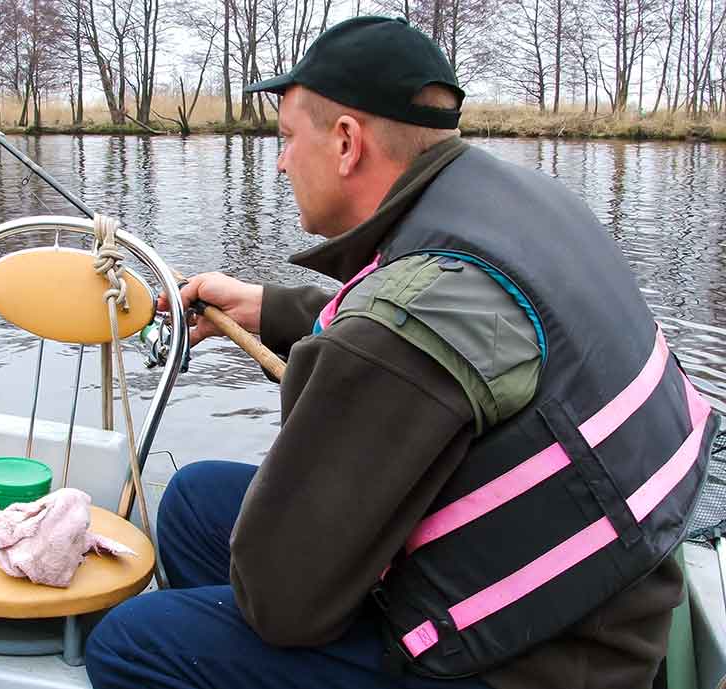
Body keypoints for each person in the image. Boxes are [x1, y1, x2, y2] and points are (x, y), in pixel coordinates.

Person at [83, 15, 714, 689]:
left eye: (289, 138)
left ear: (348, 143)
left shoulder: (396, 330)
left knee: (128, 642)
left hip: (524, 662)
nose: (282, 161)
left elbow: (281, 600)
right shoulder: (522, 202)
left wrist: (324, 385)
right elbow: (455, 323)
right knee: (192, 501)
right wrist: (265, 308)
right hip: (598, 608)